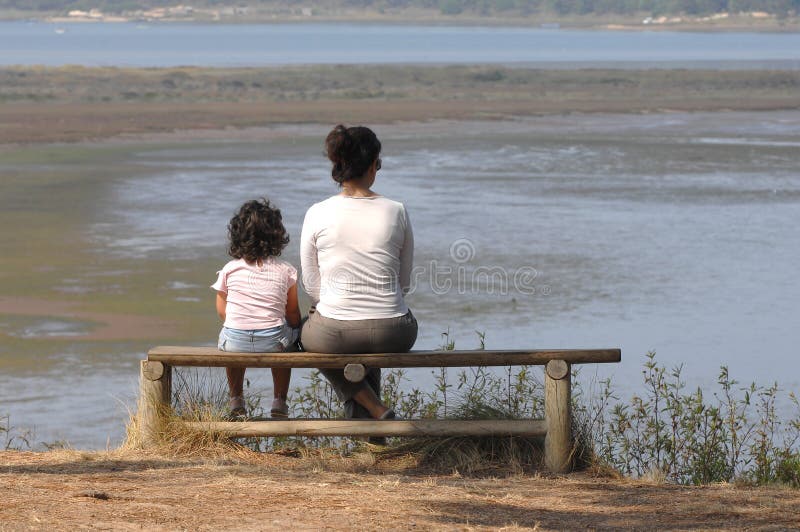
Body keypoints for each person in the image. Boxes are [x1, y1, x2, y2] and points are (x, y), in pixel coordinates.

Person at [300, 124, 417, 424]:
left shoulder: (317, 212)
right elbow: (404, 283)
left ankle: (371, 411)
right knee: (368, 336)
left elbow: (311, 283)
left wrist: (336, 305)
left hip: (334, 334)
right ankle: (371, 430)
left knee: (303, 334)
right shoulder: (397, 210)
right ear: (372, 165)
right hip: (396, 332)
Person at [211, 199, 301, 420]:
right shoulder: (286, 271)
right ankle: (279, 400)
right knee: (287, 340)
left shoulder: (230, 269)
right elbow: (292, 313)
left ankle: (236, 399)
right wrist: (297, 327)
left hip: (235, 341)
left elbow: (222, 311)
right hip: (272, 342)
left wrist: (242, 323)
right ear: (277, 236)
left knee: (231, 334)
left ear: (237, 234)